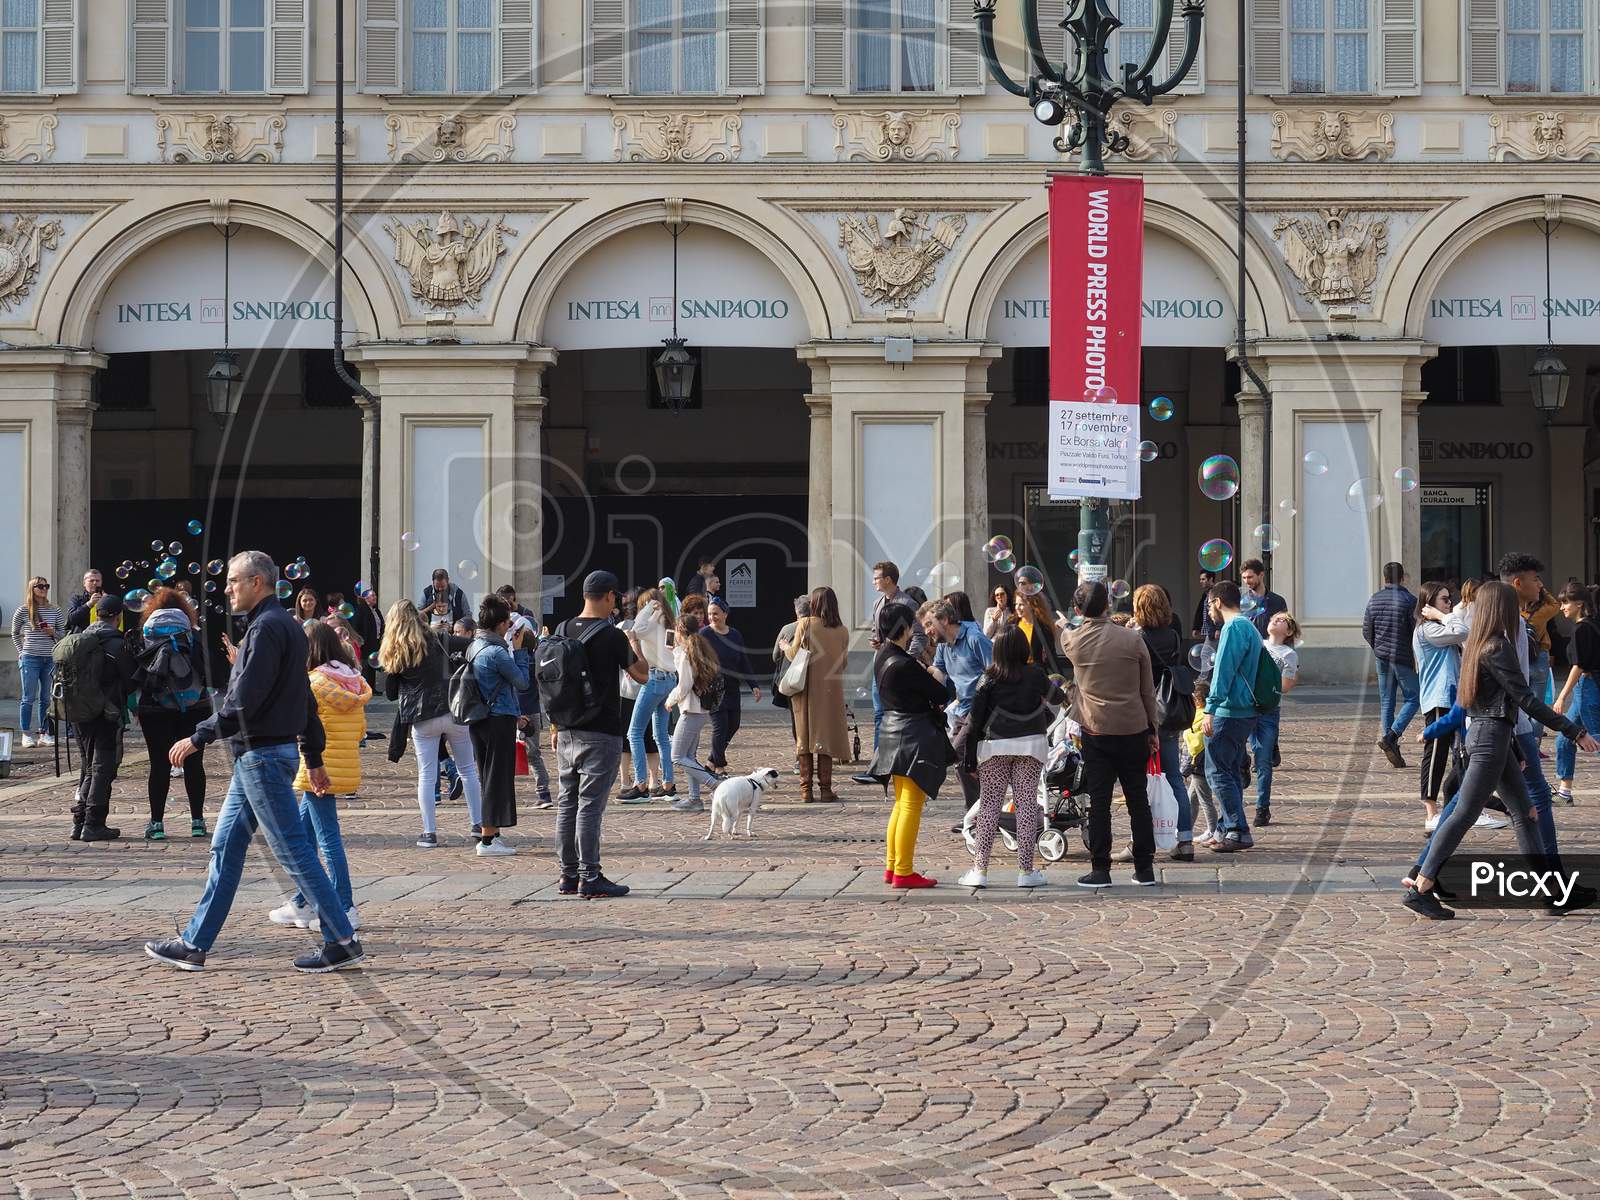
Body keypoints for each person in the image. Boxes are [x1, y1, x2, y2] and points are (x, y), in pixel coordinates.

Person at [144, 551, 364, 973]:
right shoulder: (286, 628)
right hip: (258, 758)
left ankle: (342, 938)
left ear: (257, 583)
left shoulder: (267, 629)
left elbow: (243, 701)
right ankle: (194, 943)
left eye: (233, 581)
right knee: (225, 848)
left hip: (262, 757)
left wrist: (198, 735)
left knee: (294, 853)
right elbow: (302, 699)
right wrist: (314, 756)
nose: (227, 589)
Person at [1406, 581, 1597, 920]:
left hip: (1494, 736)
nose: (1518, 613)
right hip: (1491, 738)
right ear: (1502, 609)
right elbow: (1525, 699)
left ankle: (1554, 894)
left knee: (1526, 814)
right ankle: (1420, 886)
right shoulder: (1496, 647)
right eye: (1513, 607)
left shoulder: (1479, 644)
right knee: (1464, 812)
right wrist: (1573, 729)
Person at [1056, 581, 1160, 887]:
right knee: (1137, 799)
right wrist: (1153, 729)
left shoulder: (1073, 641)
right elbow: (1147, 691)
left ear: (1077, 610)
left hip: (1096, 729)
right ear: (1108, 606)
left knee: (1099, 802)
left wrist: (1065, 622)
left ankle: (1100, 869)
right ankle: (1144, 868)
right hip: (1133, 727)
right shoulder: (1132, 639)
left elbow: (1065, 633)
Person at [269, 622, 370, 932]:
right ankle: (302, 902)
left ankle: (345, 906)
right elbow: (362, 731)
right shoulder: (353, 681)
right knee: (305, 835)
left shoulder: (313, 682)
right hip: (343, 763)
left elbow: (299, 723)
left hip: (319, 769)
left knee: (328, 839)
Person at [557, 571, 647, 898]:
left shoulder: (562, 629)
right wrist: (634, 640)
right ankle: (590, 876)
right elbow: (642, 674)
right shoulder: (612, 636)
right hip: (601, 730)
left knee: (567, 803)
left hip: (566, 729)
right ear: (609, 597)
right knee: (590, 806)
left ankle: (568, 875)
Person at [956, 625, 1063, 889]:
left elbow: (974, 723)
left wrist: (969, 759)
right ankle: (1026, 871)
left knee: (989, 806)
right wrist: (1043, 712)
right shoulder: (1035, 674)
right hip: (1031, 745)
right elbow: (1059, 697)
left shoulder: (989, 678)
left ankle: (980, 869)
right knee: (1026, 805)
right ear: (1023, 648)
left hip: (994, 747)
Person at [380, 599, 483, 848]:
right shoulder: (438, 639)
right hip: (453, 710)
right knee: (468, 769)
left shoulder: (395, 648)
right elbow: (471, 645)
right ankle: (478, 825)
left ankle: (429, 832)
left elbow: (391, 693)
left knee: (427, 774)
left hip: (422, 717)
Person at [868, 601, 950, 888]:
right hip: (912, 736)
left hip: (892, 734)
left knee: (901, 805)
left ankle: (892, 866)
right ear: (903, 628)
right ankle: (903, 871)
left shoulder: (882, 655)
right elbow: (940, 694)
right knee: (911, 805)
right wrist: (934, 674)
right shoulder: (904, 662)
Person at [134, 586, 212, 840]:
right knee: (194, 763)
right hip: (194, 706)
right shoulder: (194, 636)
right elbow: (209, 671)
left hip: (154, 707)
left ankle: (156, 824)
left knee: (158, 764)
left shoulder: (144, 636)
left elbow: (137, 674)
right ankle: (198, 822)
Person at [61, 594, 139, 841]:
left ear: (97, 614)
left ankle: (79, 823)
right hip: (105, 713)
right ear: (118, 616)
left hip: (78, 712)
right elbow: (130, 681)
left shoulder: (81, 639)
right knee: (103, 768)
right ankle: (93, 824)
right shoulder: (117, 644)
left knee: (88, 767)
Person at [1133, 584, 1193, 861]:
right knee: (1174, 778)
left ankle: (1144, 840)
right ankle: (1185, 839)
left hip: (1145, 713)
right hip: (1168, 712)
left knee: (1142, 781)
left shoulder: (1139, 637)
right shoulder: (1172, 634)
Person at [1202, 580, 1262, 854]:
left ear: (1217, 602)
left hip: (1230, 709)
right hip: (1245, 710)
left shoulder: (1233, 627)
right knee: (1230, 770)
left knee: (1218, 771)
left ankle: (1237, 830)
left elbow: (1223, 671)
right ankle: (1227, 828)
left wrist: (1210, 709)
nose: (1209, 612)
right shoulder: (1248, 624)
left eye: (1209, 605)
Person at [853, 561, 928, 780]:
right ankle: (879, 767)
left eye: (876, 577)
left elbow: (920, 635)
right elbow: (879, 632)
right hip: (881, 665)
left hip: (898, 669)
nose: (874, 581)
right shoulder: (878, 602)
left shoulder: (907, 603)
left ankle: (895, 765)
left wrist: (907, 660)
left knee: (895, 716)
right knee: (879, 716)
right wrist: (877, 642)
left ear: (888, 579)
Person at [467, 594, 527, 856]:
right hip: (498, 718)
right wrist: (521, 651)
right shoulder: (496, 652)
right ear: (501, 624)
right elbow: (522, 681)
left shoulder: (474, 646)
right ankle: (488, 839)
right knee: (496, 777)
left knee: (487, 775)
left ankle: (493, 834)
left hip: (479, 718)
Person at [782, 585, 851, 803]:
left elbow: (794, 654)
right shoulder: (842, 630)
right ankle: (826, 789)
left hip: (806, 688)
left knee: (804, 737)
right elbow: (844, 663)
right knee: (825, 738)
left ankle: (806, 790)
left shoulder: (806, 624)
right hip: (831, 690)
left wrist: (784, 645)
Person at [923, 597, 992, 811]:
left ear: (944, 620)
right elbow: (939, 672)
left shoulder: (974, 639)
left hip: (983, 709)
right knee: (962, 763)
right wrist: (917, 675)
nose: (926, 631)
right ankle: (978, 811)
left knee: (956, 751)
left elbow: (996, 672)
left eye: (928, 624)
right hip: (962, 709)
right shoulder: (943, 645)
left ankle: (985, 810)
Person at [664, 610, 724, 814]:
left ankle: (715, 785)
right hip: (700, 708)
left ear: (680, 632)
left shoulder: (686, 653)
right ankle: (694, 799)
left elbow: (684, 684)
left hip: (692, 710)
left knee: (677, 756)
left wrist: (670, 700)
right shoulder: (697, 648)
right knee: (689, 755)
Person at [1413, 581, 1461, 829]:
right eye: (1444, 599)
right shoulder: (1428, 630)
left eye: (1449, 599)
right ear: (1428, 603)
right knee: (1436, 754)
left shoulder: (1439, 625)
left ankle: (1458, 805)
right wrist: (1443, 616)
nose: (1449, 603)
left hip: (1452, 696)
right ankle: (1431, 812)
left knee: (1461, 753)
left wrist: (1444, 615)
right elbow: (1462, 631)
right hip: (1439, 698)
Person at [622, 586, 678, 800]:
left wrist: (648, 607)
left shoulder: (651, 619)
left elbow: (635, 629)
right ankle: (668, 784)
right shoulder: (670, 623)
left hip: (654, 679)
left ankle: (641, 785)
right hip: (670, 679)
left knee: (634, 733)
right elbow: (671, 650)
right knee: (661, 735)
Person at [1362, 561, 1419, 767]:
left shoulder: (1374, 599)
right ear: (1403, 578)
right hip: (1402, 657)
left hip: (1382, 657)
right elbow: (1415, 632)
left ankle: (1391, 743)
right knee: (1414, 698)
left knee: (1387, 701)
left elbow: (1366, 630)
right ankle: (1391, 737)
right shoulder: (1409, 600)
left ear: (1384, 578)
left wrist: (1378, 648)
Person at [1553, 582, 1600, 805]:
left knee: (1596, 740)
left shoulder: (1583, 628)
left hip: (1588, 687)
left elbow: (1578, 666)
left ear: (1579, 603)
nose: (1562, 607)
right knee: (1564, 737)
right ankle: (1564, 791)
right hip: (1587, 687)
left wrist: (1562, 696)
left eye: (1565, 602)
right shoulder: (1589, 625)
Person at [1253, 610, 1301, 828]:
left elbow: (1285, 687)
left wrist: (1266, 677)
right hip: (1245, 707)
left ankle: (1262, 807)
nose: (1275, 620)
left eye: (1282, 620)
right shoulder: (1257, 643)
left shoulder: (1288, 654)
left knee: (1263, 761)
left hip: (1268, 711)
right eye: (1274, 618)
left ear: (1288, 631)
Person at [703, 596, 760, 774]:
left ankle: (711, 760)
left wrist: (754, 685)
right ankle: (719, 765)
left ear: (725, 614)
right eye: (710, 614)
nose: (712, 617)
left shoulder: (735, 635)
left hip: (732, 687)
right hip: (713, 689)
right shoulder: (704, 634)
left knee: (733, 724)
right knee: (720, 727)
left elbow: (743, 661)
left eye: (716, 614)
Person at [11, 575, 62, 748]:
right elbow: (15, 633)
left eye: (46, 586)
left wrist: (52, 632)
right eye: (40, 586)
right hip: (30, 657)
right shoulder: (23, 610)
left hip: (49, 658)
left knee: (46, 698)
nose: (44, 589)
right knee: (28, 697)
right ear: (32, 588)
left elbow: (64, 634)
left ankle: (44, 732)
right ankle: (26, 733)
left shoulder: (55, 610)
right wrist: (20, 652)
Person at [1014, 588, 1065, 677]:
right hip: (1014, 674)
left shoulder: (1043, 627)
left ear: (1031, 605)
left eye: (1021, 604)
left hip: (1034, 675)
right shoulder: (1012, 622)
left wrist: (1061, 680)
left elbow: (1051, 656)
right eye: (1016, 604)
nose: (1017, 608)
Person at [1239, 559, 1288, 636]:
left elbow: (1285, 629)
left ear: (1261, 575)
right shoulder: (1241, 601)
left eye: (1250, 577)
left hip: (1271, 646)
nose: (1246, 581)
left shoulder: (1278, 601)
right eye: (1244, 578)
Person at [63, 568, 106, 633]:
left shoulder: (106, 598)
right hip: (83, 638)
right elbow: (71, 619)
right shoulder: (77, 599)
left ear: (101, 582)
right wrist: (89, 604)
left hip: (102, 637)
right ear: (84, 583)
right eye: (91, 581)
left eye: (97, 581)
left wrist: (108, 601)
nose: (94, 583)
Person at [1191, 570, 1218, 643]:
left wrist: (1218, 629)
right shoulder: (1205, 593)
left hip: (1214, 631)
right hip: (1209, 631)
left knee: (1205, 653)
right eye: (1200, 579)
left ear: (1211, 579)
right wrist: (1196, 627)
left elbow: (1219, 612)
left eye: (1203, 579)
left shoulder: (1217, 592)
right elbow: (1200, 610)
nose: (1201, 581)